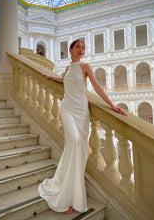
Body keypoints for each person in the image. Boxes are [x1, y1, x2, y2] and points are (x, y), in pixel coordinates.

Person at [38, 39, 127, 214]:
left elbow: (97, 87)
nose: (81, 50)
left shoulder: (85, 66)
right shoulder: (68, 68)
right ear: (70, 50)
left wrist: (112, 105)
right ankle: (64, 195)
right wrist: (51, 77)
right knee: (76, 142)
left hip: (81, 110)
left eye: (83, 48)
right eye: (78, 47)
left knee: (78, 149)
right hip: (67, 109)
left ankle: (71, 196)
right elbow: (64, 81)